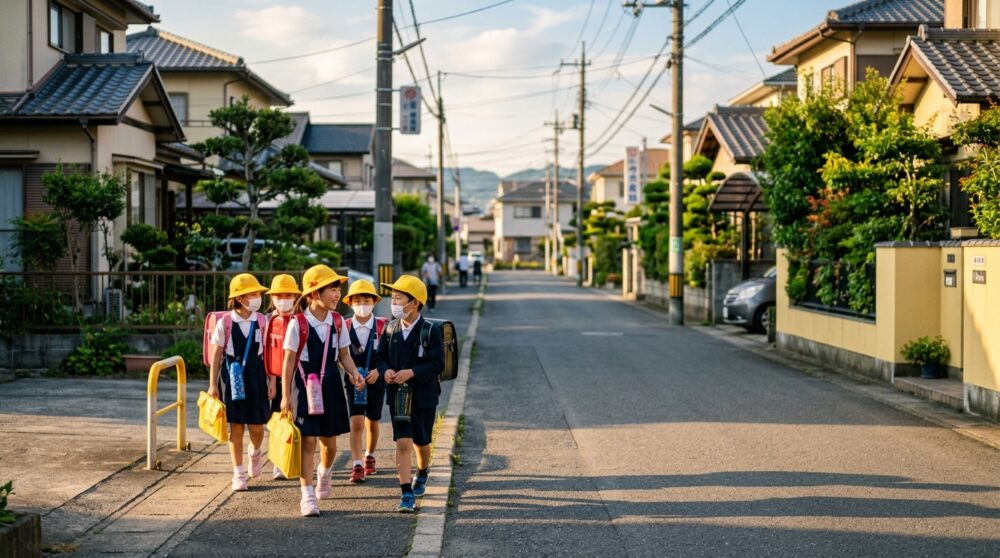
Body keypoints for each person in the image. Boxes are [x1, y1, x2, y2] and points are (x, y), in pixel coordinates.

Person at [279, 265, 366, 517]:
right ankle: (306, 495)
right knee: (308, 441)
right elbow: (288, 362)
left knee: (329, 444)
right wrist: (286, 396)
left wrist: (354, 373)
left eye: (338, 288)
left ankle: (324, 473)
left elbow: (344, 355)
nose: (338, 293)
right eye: (332, 288)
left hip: (329, 385)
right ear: (314, 293)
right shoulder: (298, 323)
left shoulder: (338, 322)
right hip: (304, 384)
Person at [375, 275, 445, 513]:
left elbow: (437, 364)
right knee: (402, 441)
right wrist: (385, 372)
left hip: (424, 396)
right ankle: (406, 492)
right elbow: (380, 358)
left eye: (398, 298)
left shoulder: (430, 331)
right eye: (392, 297)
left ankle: (423, 471)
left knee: (421, 442)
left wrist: (412, 372)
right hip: (398, 396)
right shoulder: (389, 328)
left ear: (414, 303)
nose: (393, 302)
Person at [208, 273, 271, 492]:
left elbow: (269, 355)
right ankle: (238, 473)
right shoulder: (225, 322)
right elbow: (216, 355)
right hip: (231, 374)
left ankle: (255, 451)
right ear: (239, 298)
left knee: (256, 426)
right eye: (252, 294)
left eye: (258, 294)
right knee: (235, 426)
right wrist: (213, 385)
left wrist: (271, 380)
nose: (257, 298)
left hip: (256, 374)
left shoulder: (262, 321)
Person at [342, 280, 388, 483]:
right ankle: (357, 464)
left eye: (366, 300)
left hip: (376, 378)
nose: (362, 304)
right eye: (357, 300)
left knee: (373, 419)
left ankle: (370, 454)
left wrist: (379, 371)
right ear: (350, 303)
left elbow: (389, 355)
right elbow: (340, 355)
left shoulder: (383, 325)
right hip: (353, 379)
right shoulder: (343, 325)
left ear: (374, 302)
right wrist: (351, 373)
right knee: (356, 421)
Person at [264, 273, 301, 480]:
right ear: (272, 298)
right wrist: (271, 381)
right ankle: (278, 462)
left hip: (301, 377)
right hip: (277, 378)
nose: (283, 300)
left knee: (299, 419)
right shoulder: (268, 321)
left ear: (295, 297)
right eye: (278, 295)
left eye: (288, 295)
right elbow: (267, 353)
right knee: (278, 420)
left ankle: (296, 459)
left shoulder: (300, 320)